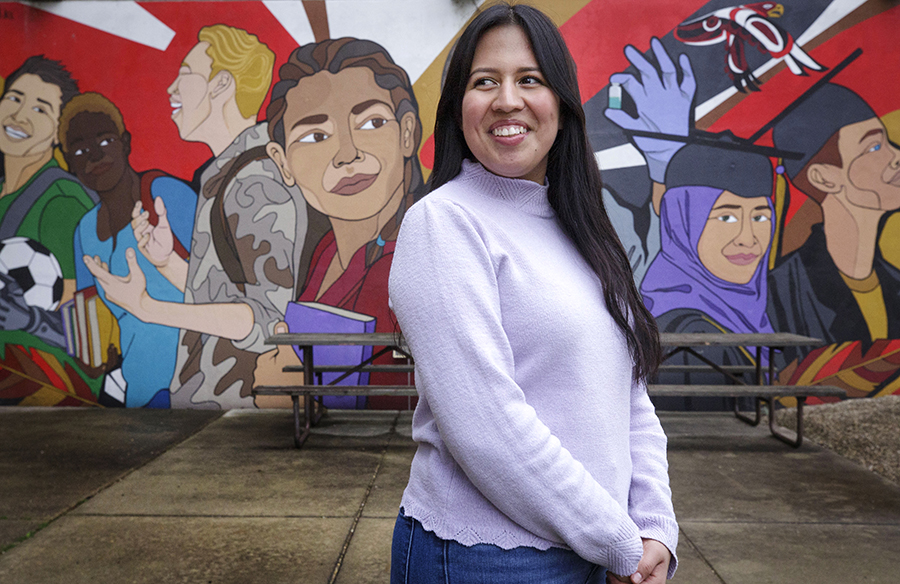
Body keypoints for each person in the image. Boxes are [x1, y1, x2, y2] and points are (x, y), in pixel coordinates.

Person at [387, 4, 677, 583]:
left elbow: (628, 394)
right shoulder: (444, 223)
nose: (507, 100)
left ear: (562, 106)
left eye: (530, 80)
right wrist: (618, 540)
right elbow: (485, 426)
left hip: (597, 548)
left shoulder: (582, 228)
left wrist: (654, 528)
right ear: (457, 108)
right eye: (484, 81)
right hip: (488, 559)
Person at [85, 25, 308, 409]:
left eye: (185, 74)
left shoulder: (256, 179)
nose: (171, 89)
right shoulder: (223, 174)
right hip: (216, 404)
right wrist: (167, 261)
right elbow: (226, 296)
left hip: (239, 411)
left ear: (221, 84)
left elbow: (268, 318)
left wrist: (147, 308)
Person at [264, 37, 425, 409]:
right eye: (315, 136)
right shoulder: (327, 250)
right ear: (283, 162)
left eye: (371, 122)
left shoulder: (420, 257)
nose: (347, 155)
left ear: (407, 132)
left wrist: (293, 386)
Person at [63, 92, 196, 408]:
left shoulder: (164, 195)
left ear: (126, 143)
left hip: (193, 381)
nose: (94, 155)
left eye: (105, 141)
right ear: (69, 162)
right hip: (139, 388)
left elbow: (218, 285)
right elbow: (89, 323)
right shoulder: (84, 232)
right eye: (80, 149)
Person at [769, 83, 900, 363]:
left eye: (888, 143)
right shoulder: (781, 295)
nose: (896, 157)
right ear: (824, 177)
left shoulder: (895, 283)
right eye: (875, 146)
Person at [640, 143, 777, 406]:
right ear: (681, 222)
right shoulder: (687, 336)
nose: (748, 240)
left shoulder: (752, 310)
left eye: (760, 217)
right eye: (727, 218)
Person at [0, 56, 96, 347]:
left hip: (37, 373)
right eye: (14, 98)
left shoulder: (62, 201)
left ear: (58, 132)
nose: (19, 115)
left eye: (40, 109)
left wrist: (30, 320)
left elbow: (84, 326)